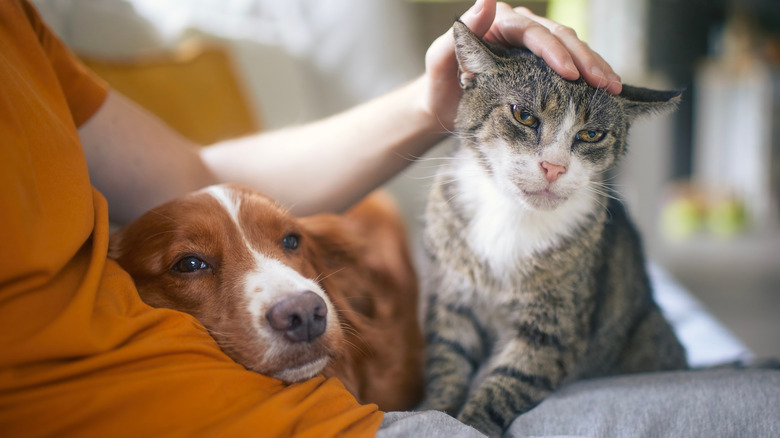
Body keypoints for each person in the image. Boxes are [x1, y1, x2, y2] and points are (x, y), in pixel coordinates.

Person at [11, 0, 775, 437]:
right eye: (191, 263)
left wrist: (429, 100)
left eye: (289, 242)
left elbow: (196, 179)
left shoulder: (23, 29)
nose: (299, 299)